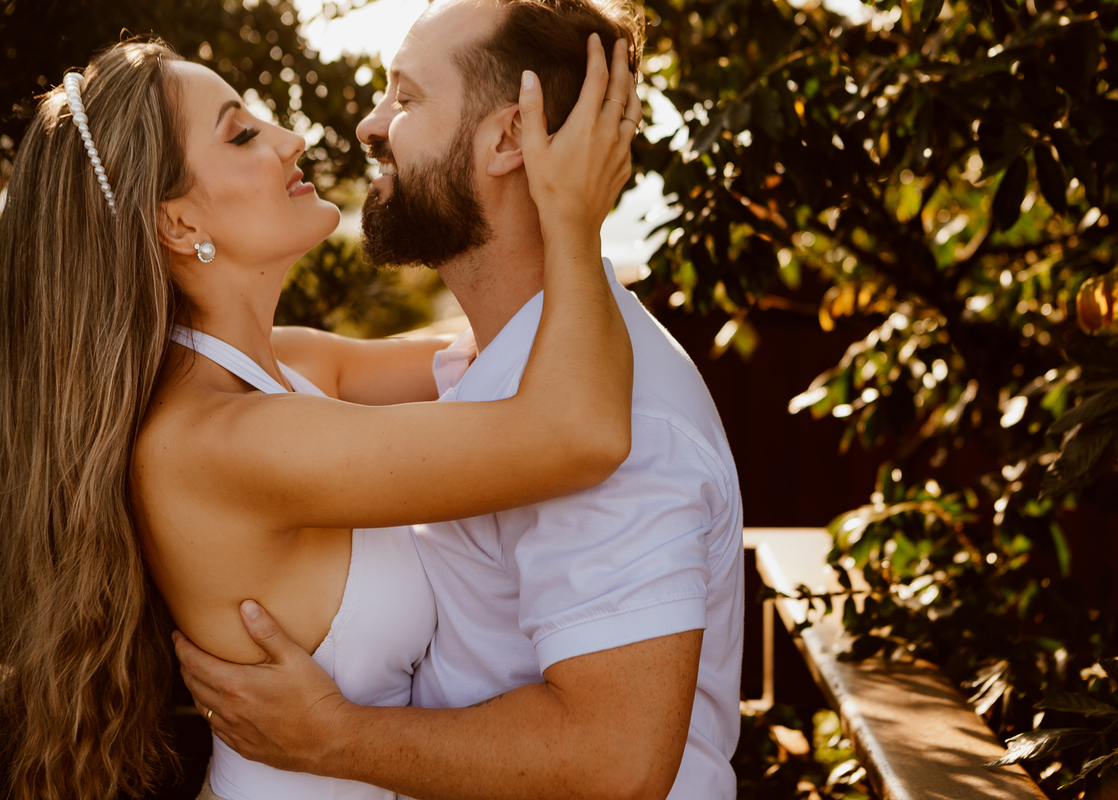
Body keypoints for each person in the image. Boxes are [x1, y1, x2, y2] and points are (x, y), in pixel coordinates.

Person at [0, 25, 642, 800]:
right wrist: (573, 213)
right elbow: (578, 431)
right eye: (241, 135)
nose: (291, 138)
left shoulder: (288, 366)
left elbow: (491, 347)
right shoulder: (223, 441)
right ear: (178, 224)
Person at [174, 0, 745, 799]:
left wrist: (334, 738)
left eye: (404, 98)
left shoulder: (626, 424)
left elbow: (616, 762)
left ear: (510, 138)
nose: (369, 125)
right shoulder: (510, 368)